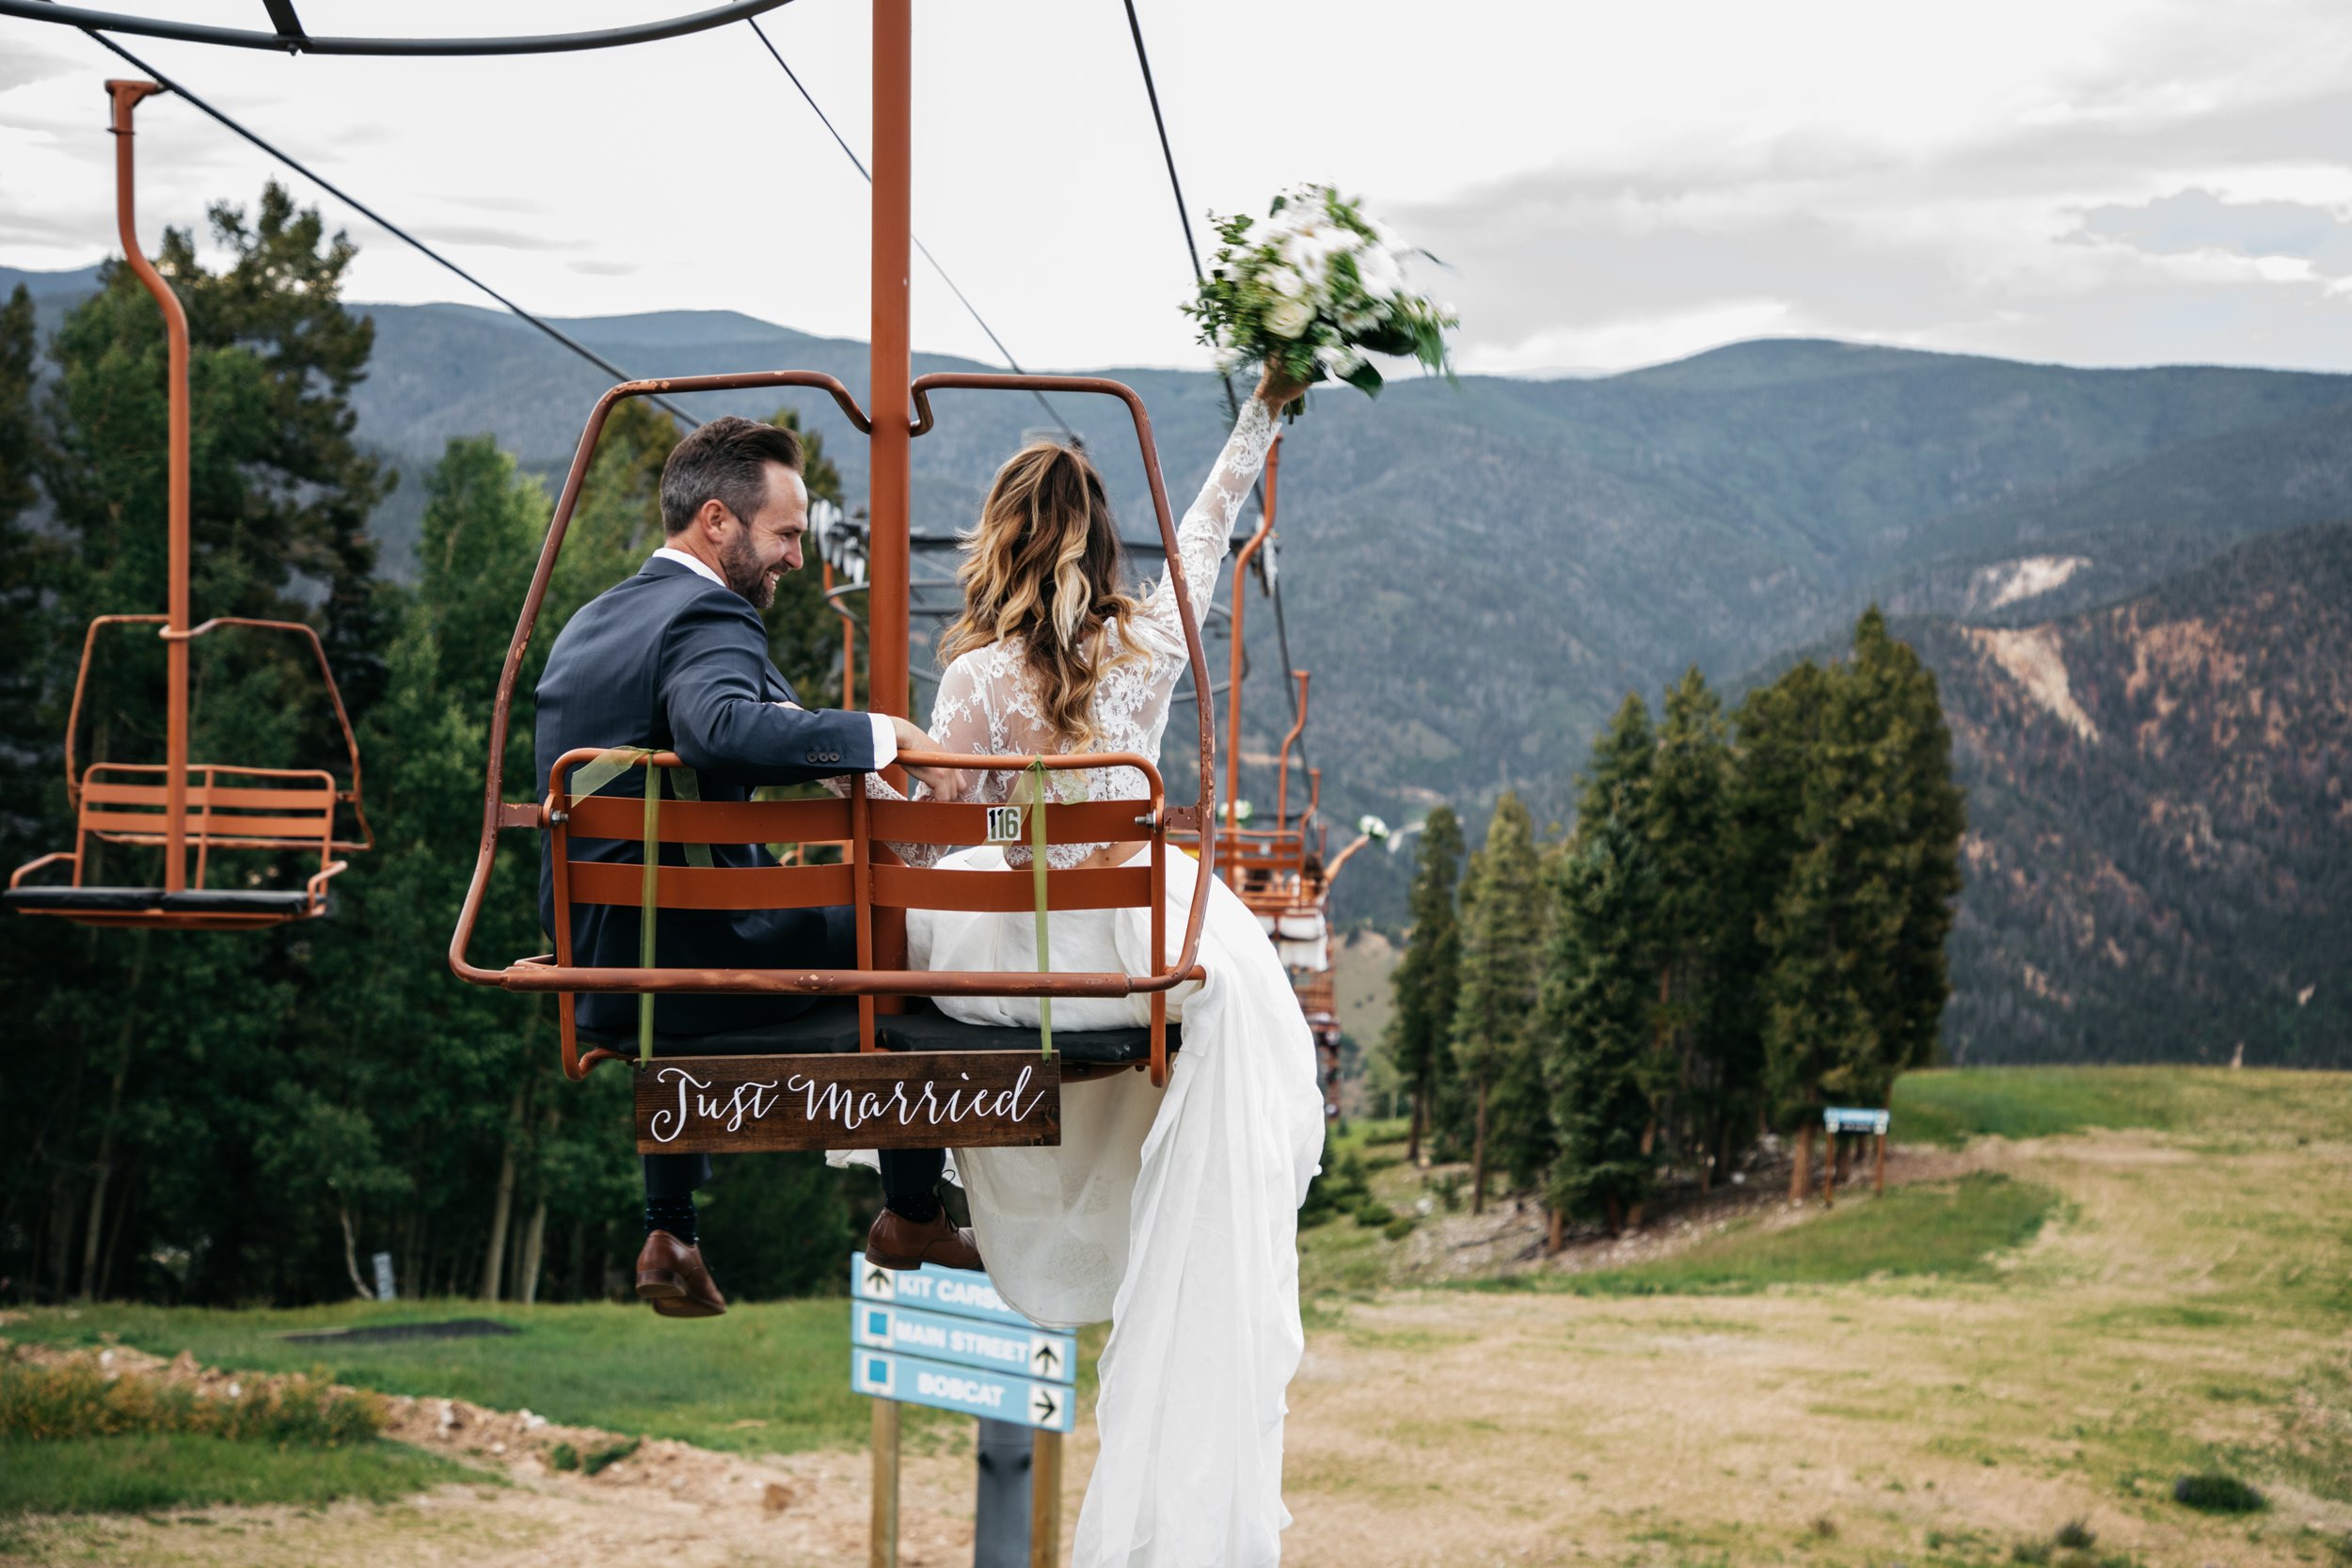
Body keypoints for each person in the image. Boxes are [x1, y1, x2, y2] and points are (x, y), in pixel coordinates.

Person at [834, 362, 1326, 1567]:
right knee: (1203, 992)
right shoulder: (1150, 641)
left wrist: (989, 816)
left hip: (1017, 954)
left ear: (1001, 545)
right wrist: (1265, 404)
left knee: (920, 957)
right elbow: (1212, 518)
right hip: (1127, 940)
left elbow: (960, 823)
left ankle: (936, 1199)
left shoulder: (970, 683)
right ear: (1104, 547)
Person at [532, 414, 978, 1320]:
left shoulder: (596, 618)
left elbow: (733, 709)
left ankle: (670, 1225)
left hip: (604, 963)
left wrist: (832, 726)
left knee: (773, 908)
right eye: (785, 535)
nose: (795, 561)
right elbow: (719, 726)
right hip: (694, 964)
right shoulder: (710, 611)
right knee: (903, 927)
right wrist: (882, 733)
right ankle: (912, 1209)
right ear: (716, 522)